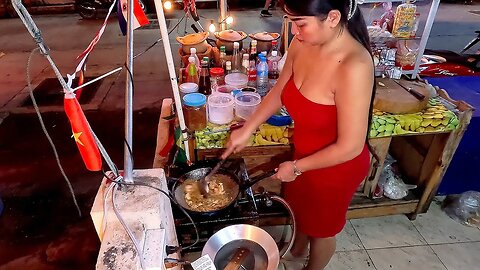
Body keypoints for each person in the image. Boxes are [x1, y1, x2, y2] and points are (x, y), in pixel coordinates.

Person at [223, 0, 375, 269]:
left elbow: (351, 146)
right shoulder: (301, 44)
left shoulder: (354, 65)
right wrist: (248, 128)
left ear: (332, 17)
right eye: (291, 21)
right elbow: (280, 90)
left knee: (321, 230)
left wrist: (297, 167)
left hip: (335, 168)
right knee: (298, 210)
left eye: (300, 23)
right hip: (303, 154)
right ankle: (296, 251)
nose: (294, 32)